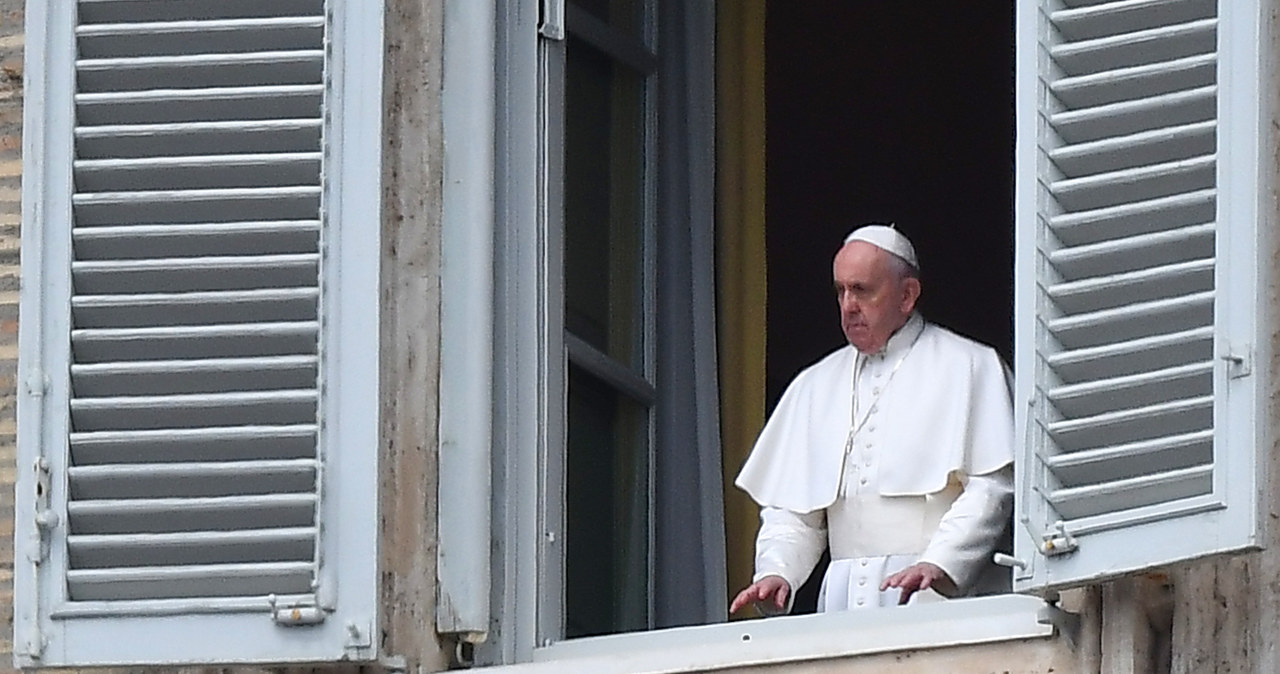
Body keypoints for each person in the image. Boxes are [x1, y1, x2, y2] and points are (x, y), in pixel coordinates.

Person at [729, 224, 1015, 615]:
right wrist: (777, 571)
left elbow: (991, 488)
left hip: (936, 597)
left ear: (907, 294)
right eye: (840, 291)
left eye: (862, 290)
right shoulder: (814, 385)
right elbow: (793, 514)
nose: (848, 305)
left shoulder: (970, 366)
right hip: (844, 602)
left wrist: (940, 563)